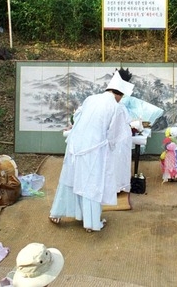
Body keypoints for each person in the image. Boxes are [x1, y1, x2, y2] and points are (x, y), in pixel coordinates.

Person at [49, 69, 134, 232]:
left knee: (71, 179)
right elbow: (115, 135)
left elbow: (79, 118)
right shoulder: (115, 107)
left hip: (75, 146)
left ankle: (57, 212)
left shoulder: (91, 98)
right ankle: (91, 222)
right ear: (120, 94)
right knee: (92, 184)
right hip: (94, 150)